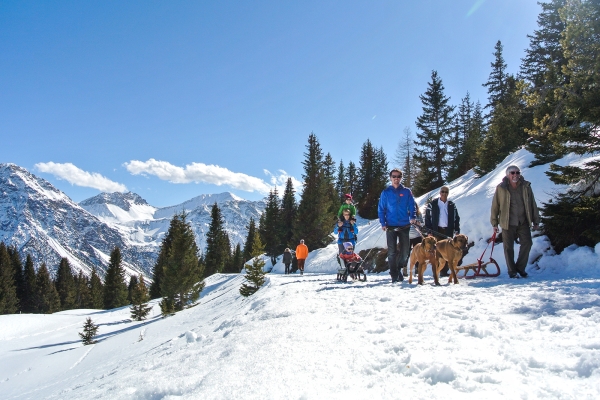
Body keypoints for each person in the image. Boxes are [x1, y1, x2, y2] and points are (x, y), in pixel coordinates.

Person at [490, 165, 540, 278]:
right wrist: (494, 223)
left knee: (527, 243)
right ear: (508, 175)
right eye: (512, 173)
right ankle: (512, 272)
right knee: (508, 248)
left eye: (517, 172)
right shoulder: (501, 188)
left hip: (523, 221)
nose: (515, 175)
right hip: (507, 222)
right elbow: (495, 206)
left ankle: (520, 268)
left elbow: (532, 203)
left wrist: (536, 220)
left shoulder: (526, 186)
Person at [378, 168, 416, 283]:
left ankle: (399, 268)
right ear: (390, 178)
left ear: (401, 178)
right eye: (394, 176)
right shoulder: (386, 192)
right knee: (392, 251)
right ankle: (394, 274)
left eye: (398, 176)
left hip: (404, 225)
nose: (396, 178)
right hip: (391, 226)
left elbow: (412, 205)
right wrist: (383, 223)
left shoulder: (406, 191)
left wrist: (412, 217)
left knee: (405, 251)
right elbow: (381, 209)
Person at [425, 186, 460, 277]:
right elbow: (427, 218)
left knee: (448, 251)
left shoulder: (452, 205)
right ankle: (435, 271)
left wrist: (457, 230)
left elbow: (456, 218)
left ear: (448, 193)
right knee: (436, 251)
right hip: (436, 231)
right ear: (439, 193)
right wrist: (429, 231)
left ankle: (444, 271)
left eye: (446, 192)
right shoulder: (433, 204)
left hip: (448, 231)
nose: (444, 193)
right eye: (442, 192)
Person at [404, 201, 424, 277]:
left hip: (417, 236)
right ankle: (404, 268)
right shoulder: (405, 214)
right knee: (406, 253)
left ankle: (417, 269)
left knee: (418, 253)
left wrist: (416, 222)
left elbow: (422, 224)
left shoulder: (418, 214)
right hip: (407, 237)